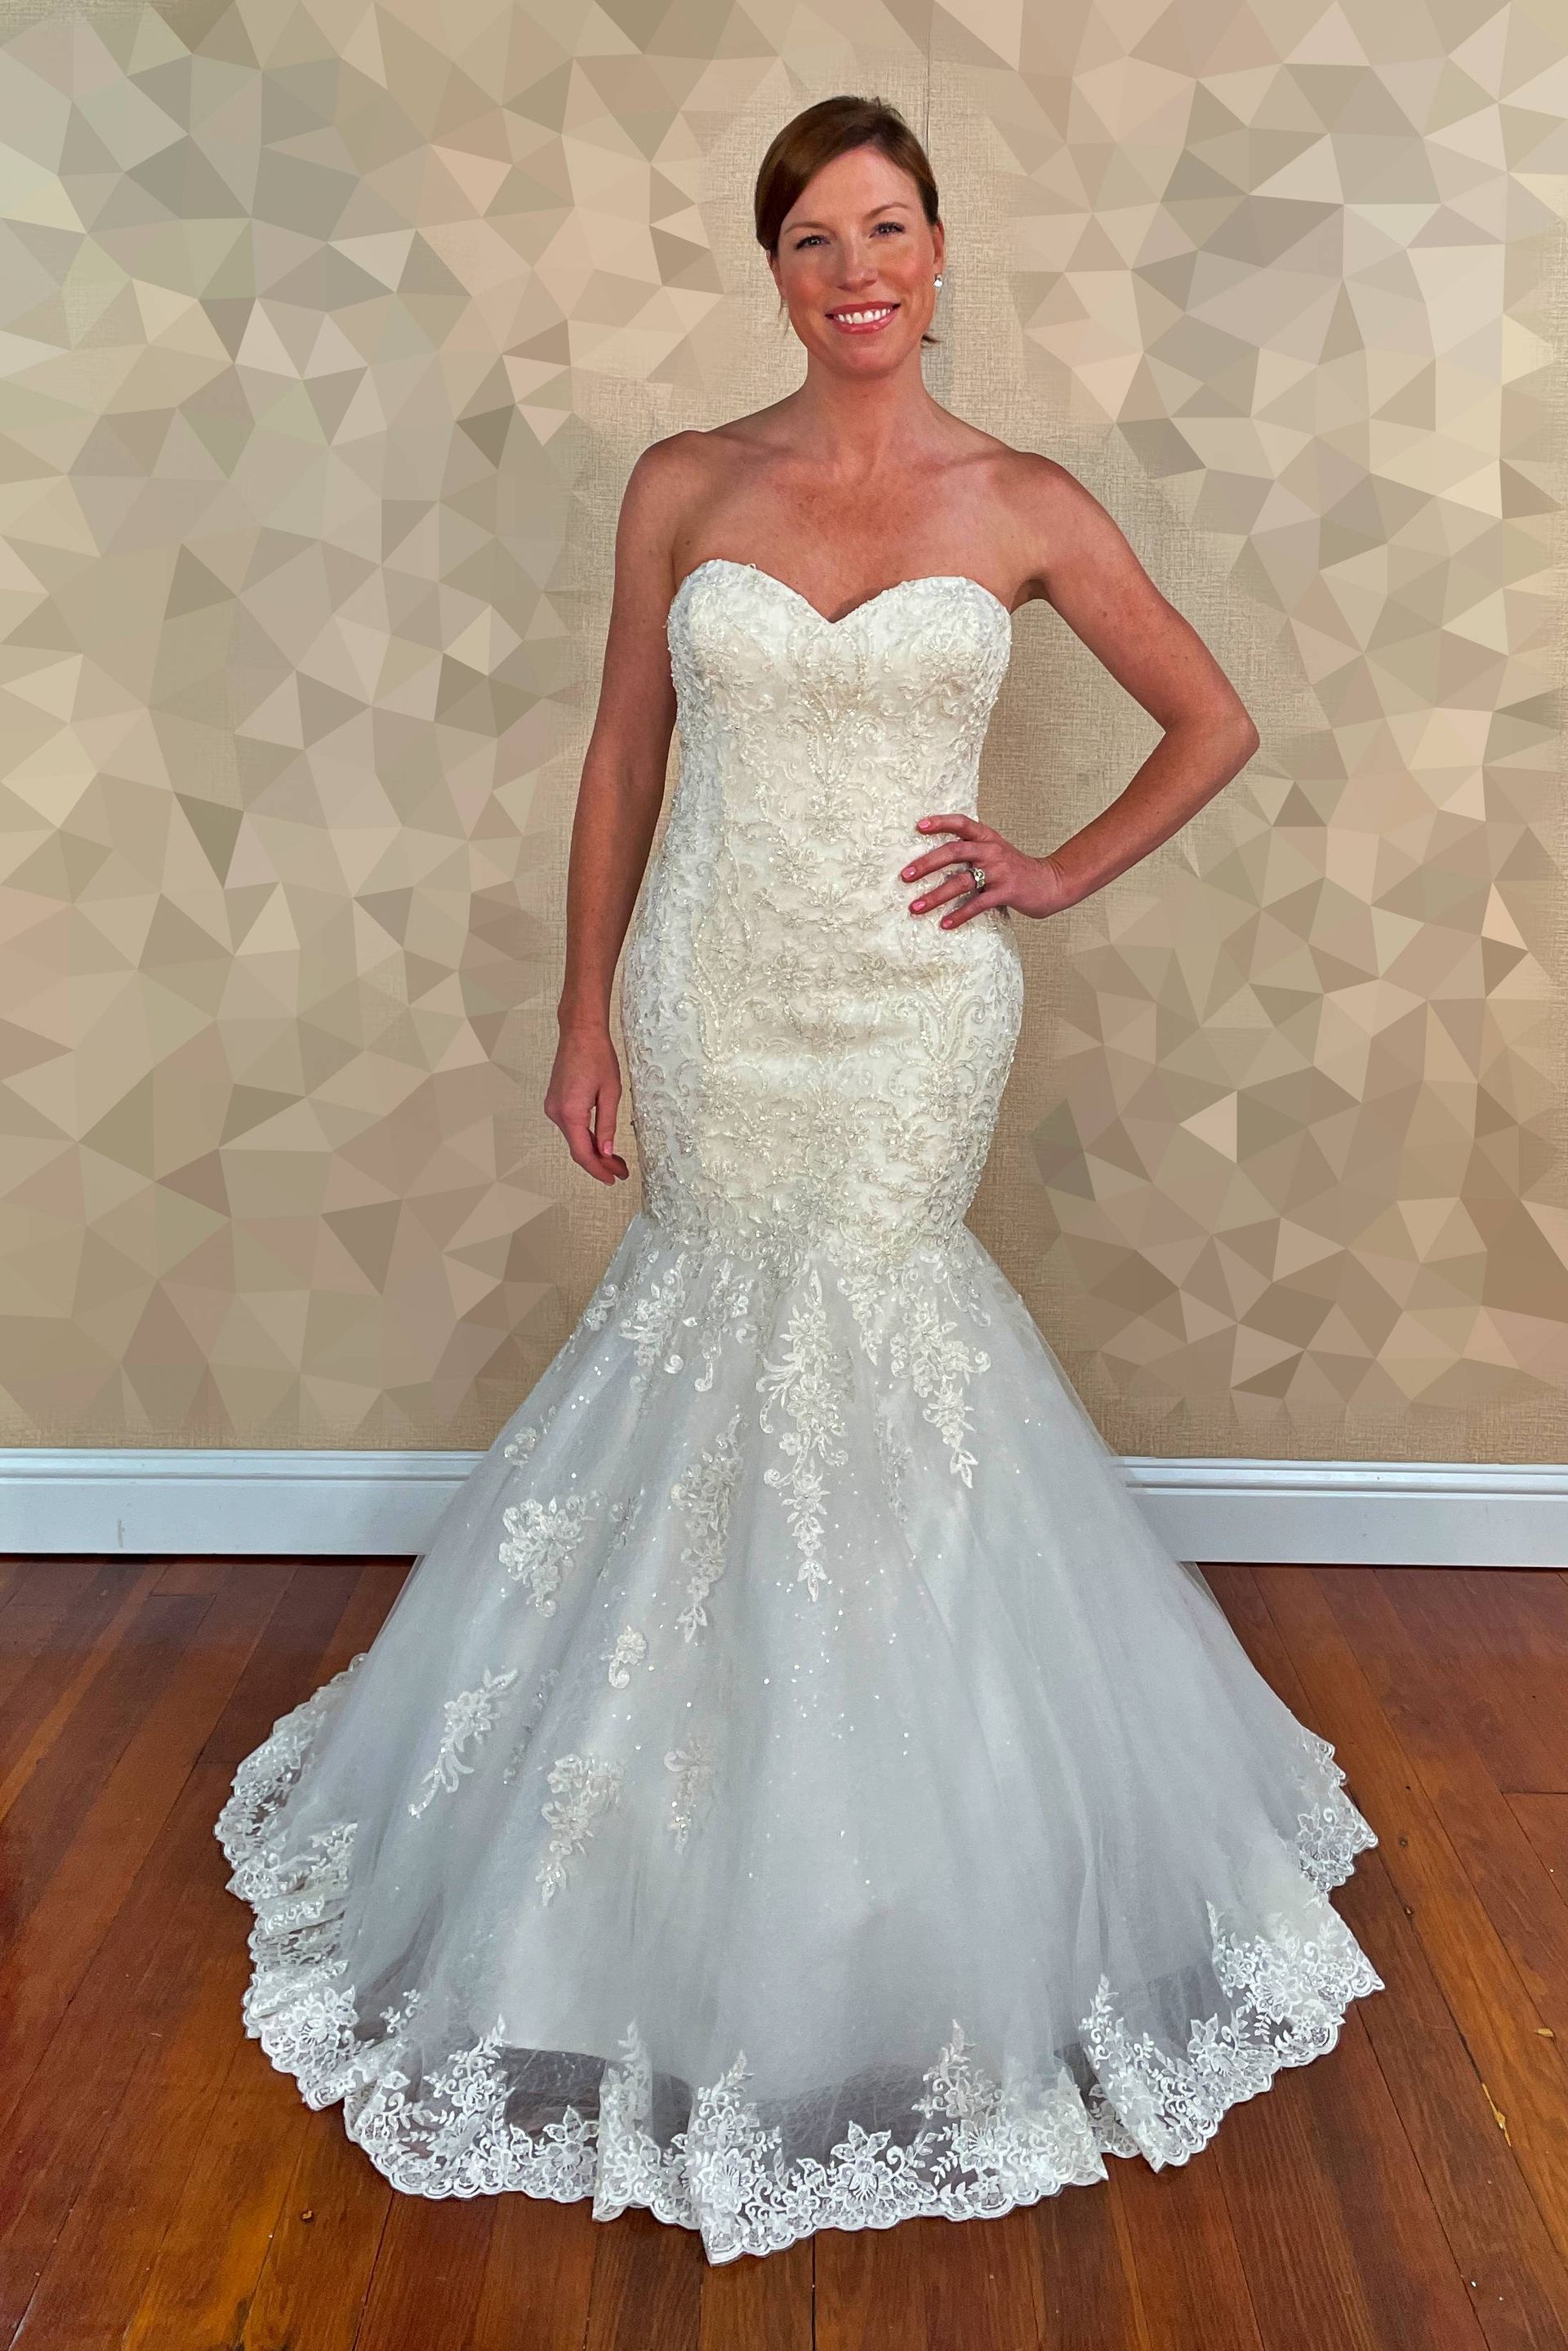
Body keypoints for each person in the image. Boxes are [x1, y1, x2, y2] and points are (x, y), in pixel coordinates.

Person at [215, 91, 1383, 2267]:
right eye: (812, 238)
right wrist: (585, 1011)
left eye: (890, 228)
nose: (855, 269)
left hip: (913, 1009)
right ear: (775, 271)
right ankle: (649, 1864)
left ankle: (904, 1881)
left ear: (945, 254)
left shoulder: (1021, 500)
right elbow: (624, 751)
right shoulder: (688, 483)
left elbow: (1209, 722)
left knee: (875, 1351)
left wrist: (1049, 870)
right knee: (706, 1341)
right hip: (711, 988)